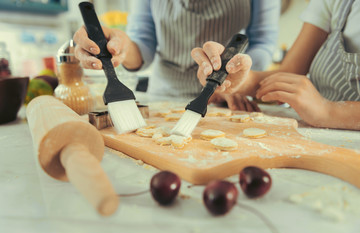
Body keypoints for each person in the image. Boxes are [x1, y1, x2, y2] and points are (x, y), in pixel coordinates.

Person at [73, 0, 281, 111]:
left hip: (228, 99)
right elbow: (143, 43)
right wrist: (122, 47)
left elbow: (262, 41)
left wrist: (238, 78)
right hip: (164, 97)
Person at [192, 0, 360, 130]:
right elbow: (288, 74)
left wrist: (329, 111)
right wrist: (238, 80)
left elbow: (325, 110)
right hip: (312, 135)